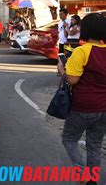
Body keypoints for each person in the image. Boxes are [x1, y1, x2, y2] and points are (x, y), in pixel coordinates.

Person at [62, 13, 106, 185]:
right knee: (95, 143)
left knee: (69, 138)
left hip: (84, 106)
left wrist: (62, 70)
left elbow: (72, 80)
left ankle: (81, 174)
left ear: (85, 30)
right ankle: (92, 179)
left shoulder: (82, 51)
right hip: (104, 107)